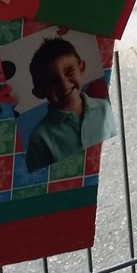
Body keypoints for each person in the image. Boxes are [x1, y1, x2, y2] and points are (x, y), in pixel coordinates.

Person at [23, 36, 114, 172]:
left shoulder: (104, 109)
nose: (64, 85)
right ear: (39, 92)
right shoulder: (39, 139)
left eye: (69, 72)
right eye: (52, 81)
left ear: (81, 68)